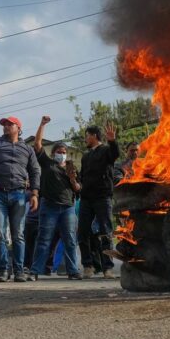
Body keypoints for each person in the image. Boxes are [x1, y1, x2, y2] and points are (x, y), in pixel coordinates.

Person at [0, 116, 41, 282]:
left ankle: (19, 271)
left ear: (18, 127)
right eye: (4, 124)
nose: (6, 126)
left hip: (19, 195)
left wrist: (35, 194)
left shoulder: (27, 149)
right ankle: (3, 270)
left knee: (18, 235)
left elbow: (35, 171)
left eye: (10, 124)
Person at [29, 116, 82, 280]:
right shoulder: (47, 163)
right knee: (44, 240)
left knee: (70, 241)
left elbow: (78, 188)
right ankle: (34, 271)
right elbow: (37, 145)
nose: (62, 154)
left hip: (68, 208)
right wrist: (42, 124)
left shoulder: (72, 168)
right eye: (59, 152)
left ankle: (73, 271)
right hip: (49, 207)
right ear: (53, 153)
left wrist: (73, 179)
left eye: (64, 153)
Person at [78, 123, 119, 279]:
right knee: (82, 232)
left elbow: (115, 154)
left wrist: (112, 141)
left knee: (105, 232)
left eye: (87, 135)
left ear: (94, 136)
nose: (85, 139)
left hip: (102, 198)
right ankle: (88, 266)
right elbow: (82, 177)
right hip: (86, 199)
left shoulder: (106, 151)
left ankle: (107, 268)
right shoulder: (86, 156)